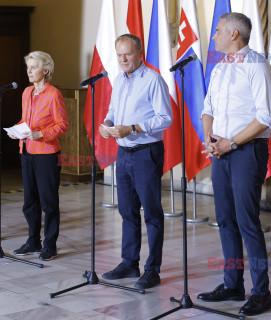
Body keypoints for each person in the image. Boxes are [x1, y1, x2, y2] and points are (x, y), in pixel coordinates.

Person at [198, 13, 271, 316]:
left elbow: (266, 116)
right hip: (221, 151)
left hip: (247, 151)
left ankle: (262, 292)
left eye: (218, 31)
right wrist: (210, 138)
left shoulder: (257, 65)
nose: (214, 36)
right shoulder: (219, 68)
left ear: (234, 35)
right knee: (226, 220)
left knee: (247, 221)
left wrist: (230, 143)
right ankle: (233, 284)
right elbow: (208, 108)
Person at [99, 34, 172, 289]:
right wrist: (107, 124)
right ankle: (129, 263)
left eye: (127, 54)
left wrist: (132, 128)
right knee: (127, 211)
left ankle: (153, 269)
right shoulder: (119, 80)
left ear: (139, 53)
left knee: (151, 212)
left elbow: (165, 118)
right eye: (119, 55)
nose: (123, 60)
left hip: (146, 152)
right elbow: (112, 111)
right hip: (124, 153)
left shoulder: (153, 80)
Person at [9, 51, 68, 261]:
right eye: (28, 67)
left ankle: (50, 245)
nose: (29, 71)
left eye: (33, 67)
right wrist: (15, 129)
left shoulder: (54, 94)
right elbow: (25, 120)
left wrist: (40, 134)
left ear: (46, 70)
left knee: (48, 202)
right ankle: (33, 241)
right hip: (26, 151)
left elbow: (62, 125)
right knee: (29, 202)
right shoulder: (26, 92)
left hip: (46, 154)